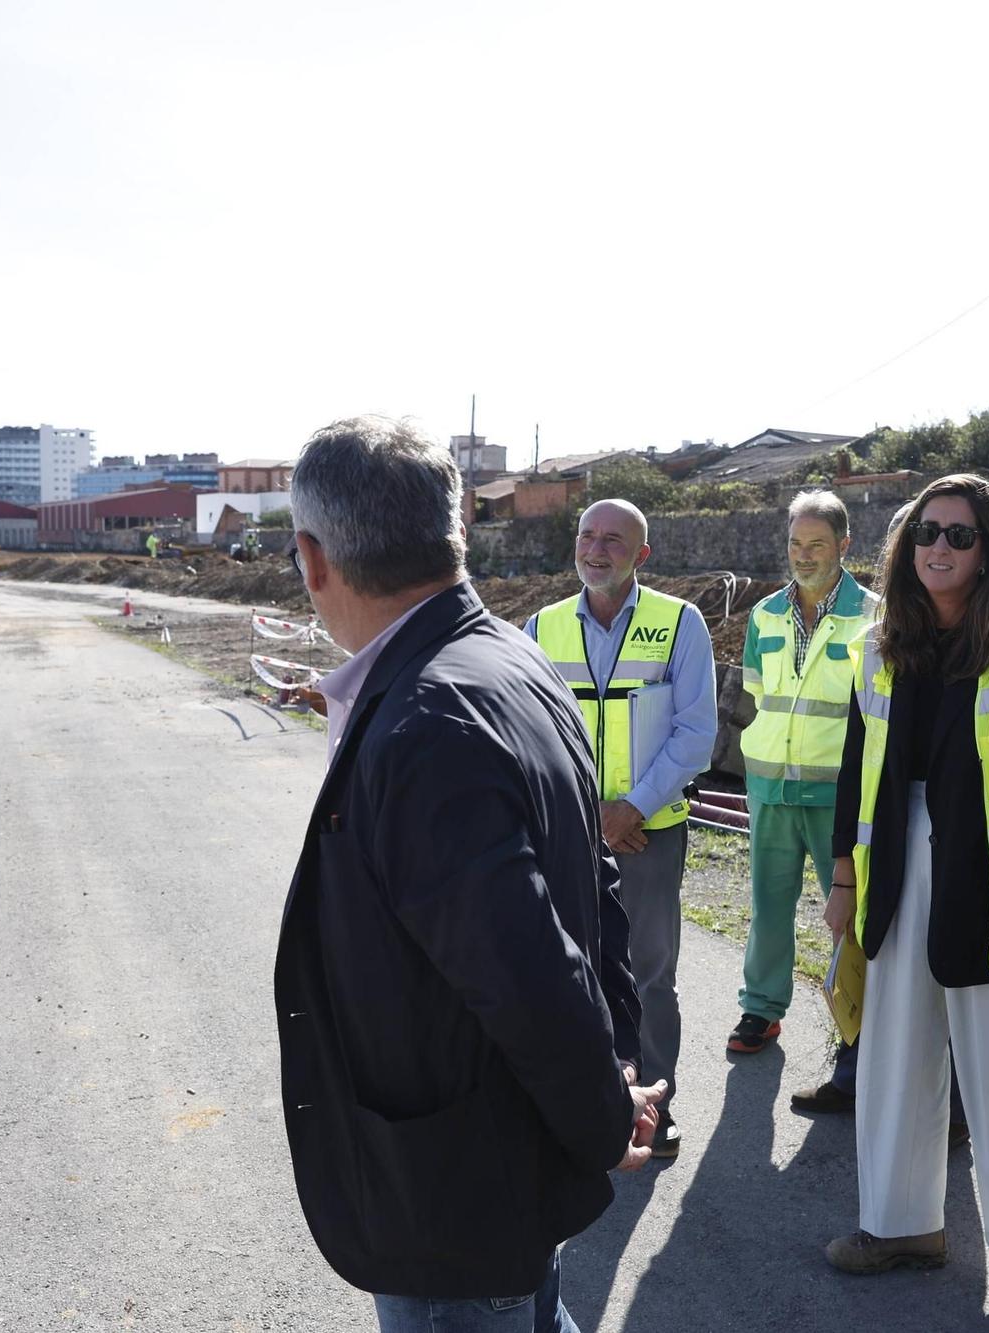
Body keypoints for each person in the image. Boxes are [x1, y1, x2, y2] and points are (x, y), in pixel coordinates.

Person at [274, 418, 666, 1333]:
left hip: (454, 1192)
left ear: (312, 558)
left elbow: (530, 968)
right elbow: (595, 896)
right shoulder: (510, 657)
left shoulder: (427, 719)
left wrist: (607, 1111)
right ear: (453, 531)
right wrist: (613, 1067)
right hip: (497, 1164)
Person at [821, 474, 989, 1331]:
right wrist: (845, 881)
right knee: (893, 1052)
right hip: (895, 865)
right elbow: (856, 770)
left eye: (960, 535)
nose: (939, 546)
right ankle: (902, 1226)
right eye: (926, 531)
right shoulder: (878, 642)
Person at [526, 499, 717, 1158]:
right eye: (586, 535)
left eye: (613, 539)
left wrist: (629, 808)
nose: (596, 548)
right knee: (562, 968)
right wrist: (591, 816)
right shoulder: (541, 626)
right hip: (569, 832)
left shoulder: (679, 623)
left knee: (647, 975)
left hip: (649, 833)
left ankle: (652, 1110)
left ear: (642, 554)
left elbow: (696, 733)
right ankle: (579, 1105)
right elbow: (530, 732)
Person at [727, 492, 878, 1102]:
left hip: (839, 795)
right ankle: (761, 1008)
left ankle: (858, 1026)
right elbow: (760, 694)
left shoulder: (876, 616)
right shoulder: (763, 614)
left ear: (844, 546)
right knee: (767, 907)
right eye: (795, 543)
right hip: (769, 784)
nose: (803, 555)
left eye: (817, 544)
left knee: (850, 913)